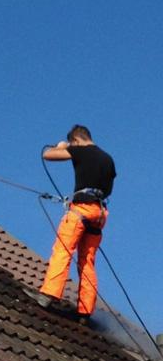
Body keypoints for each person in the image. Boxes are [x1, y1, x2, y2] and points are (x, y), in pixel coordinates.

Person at [33, 125, 116, 323]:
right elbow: (108, 190)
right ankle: (85, 312)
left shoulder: (80, 150)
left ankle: (49, 295)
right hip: (99, 213)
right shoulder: (108, 159)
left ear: (77, 140)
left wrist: (62, 146)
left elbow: (48, 155)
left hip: (81, 210)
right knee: (87, 261)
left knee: (63, 249)